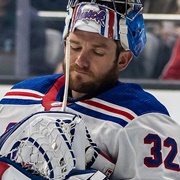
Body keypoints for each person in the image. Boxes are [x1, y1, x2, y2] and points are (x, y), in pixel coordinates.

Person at [0, 0, 180, 179]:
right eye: (75, 47)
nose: (80, 61)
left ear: (123, 60)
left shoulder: (143, 120)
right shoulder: (19, 98)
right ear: (64, 45)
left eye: (97, 52)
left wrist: (96, 169)